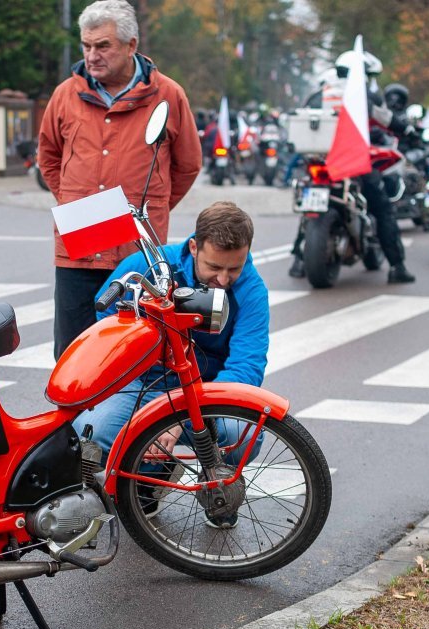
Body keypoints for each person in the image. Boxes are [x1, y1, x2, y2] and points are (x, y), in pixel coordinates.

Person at [73, 201, 269, 529]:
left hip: (204, 393)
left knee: (243, 433)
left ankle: (217, 486)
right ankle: (147, 478)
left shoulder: (252, 291)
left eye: (234, 269)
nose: (223, 279)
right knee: (90, 433)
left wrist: (181, 416)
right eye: (214, 267)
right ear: (193, 247)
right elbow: (105, 327)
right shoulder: (146, 266)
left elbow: (246, 370)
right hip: (141, 383)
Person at [38, 0, 202, 359]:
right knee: (72, 353)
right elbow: (48, 157)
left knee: (135, 353)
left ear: (131, 46)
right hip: (78, 248)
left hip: (136, 249)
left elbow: (188, 165)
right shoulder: (66, 94)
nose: (92, 55)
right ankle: (75, 417)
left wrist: (150, 209)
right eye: (86, 45)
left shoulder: (168, 95)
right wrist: (74, 203)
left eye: (103, 46)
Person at [290, 49, 415, 283]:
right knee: (383, 209)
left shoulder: (319, 94)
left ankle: (298, 261)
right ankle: (397, 266)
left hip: (320, 163)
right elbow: (388, 120)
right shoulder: (363, 96)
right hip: (352, 164)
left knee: (311, 206)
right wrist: (407, 130)